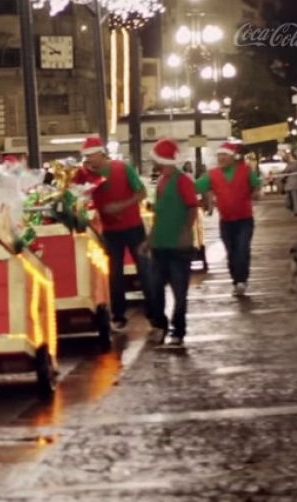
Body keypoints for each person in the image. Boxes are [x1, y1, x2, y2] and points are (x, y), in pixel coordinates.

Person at [80, 135, 151, 332]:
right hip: (110, 231)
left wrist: (121, 205)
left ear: (101, 153)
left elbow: (142, 193)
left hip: (134, 227)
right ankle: (118, 315)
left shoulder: (122, 168)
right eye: (86, 158)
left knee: (145, 270)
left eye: (92, 156)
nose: (89, 161)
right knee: (114, 275)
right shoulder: (86, 175)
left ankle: (153, 311)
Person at [143, 139, 199, 347]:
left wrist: (186, 231)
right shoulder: (162, 181)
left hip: (178, 247)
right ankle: (161, 325)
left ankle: (178, 329)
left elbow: (192, 207)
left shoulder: (182, 181)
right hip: (160, 245)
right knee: (156, 290)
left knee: (179, 292)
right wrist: (150, 240)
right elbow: (159, 215)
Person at [195, 142, 262, 297]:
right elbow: (194, 187)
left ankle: (242, 280)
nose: (221, 158)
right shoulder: (212, 174)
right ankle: (236, 280)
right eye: (219, 155)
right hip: (226, 221)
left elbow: (256, 186)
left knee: (242, 249)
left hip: (245, 220)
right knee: (231, 252)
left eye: (224, 155)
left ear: (232, 157)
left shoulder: (245, 171)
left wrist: (256, 193)